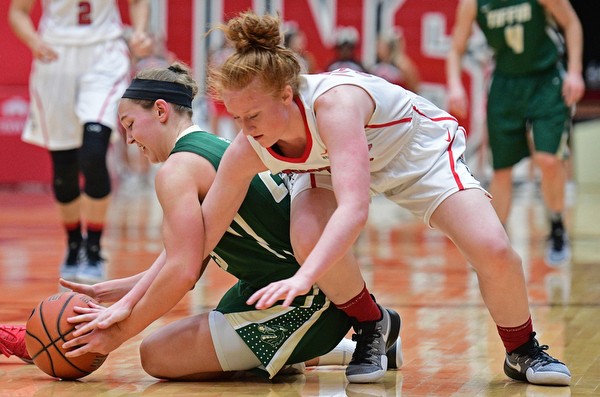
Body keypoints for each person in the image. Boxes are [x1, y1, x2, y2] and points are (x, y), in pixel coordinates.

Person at [201, 11, 571, 386]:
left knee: (493, 248)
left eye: (252, 116)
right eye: (236, 118)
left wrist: (305, 276)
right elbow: (203, 231)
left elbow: (354, 209)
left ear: (286, 95)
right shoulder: (249, 144)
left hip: (413, 153)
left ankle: (522, 349)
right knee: (307, 237)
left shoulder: (334, 106)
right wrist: (146, 281)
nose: (244, 129)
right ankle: (371, 322)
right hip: (328, 165)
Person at [0, 63, 402, 380]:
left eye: (129, 125)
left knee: (156, 356)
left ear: (160, 111)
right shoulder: (217, 147)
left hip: (300, 296)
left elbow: (182, 271)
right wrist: (121, 291)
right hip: (274, 285)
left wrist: (114, 336)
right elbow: (192, 253)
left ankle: (335, 339)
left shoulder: (176, 171)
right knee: (178, 350)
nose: (128, 140)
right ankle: (343, 347)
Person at [8, 0, 153, 283]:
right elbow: (18, 11)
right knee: (64, 164)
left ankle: (95, 248)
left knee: (93, 153)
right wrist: (33, 41)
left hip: (104, 54)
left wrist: (140, 31)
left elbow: (138, 2)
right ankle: (74, 245)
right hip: (55, 57)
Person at [446, 0, 586, 267]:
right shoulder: (473, 4)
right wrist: (454, 85)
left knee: (549, 160)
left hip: (546, 81)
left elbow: (571, 22)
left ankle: (557, 226)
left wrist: (576, 71)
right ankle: (497, 243)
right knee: (501, 170)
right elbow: (456, 48)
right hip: (505, 84)